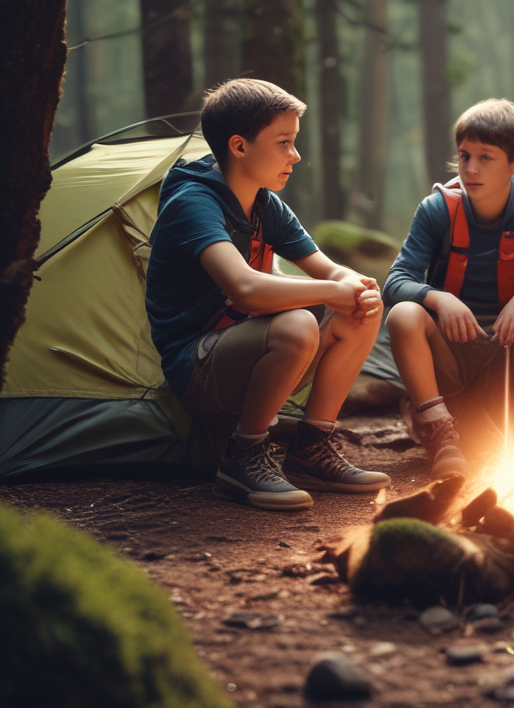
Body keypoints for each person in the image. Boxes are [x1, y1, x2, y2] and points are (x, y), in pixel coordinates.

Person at [146, 79, 390, 511]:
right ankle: (243, 458)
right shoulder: (193, 200)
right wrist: (333, 291)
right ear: (239, 146)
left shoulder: (264, 204)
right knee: (296, 324)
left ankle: (311, 447)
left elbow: (328, 269)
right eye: (284, 142)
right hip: (197, 366)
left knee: (361, 310)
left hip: (247, 350)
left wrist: (357, 288)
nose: (295, 155)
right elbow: (246, 289)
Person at [383, 98, 514, 477]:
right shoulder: (436, 209)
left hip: (512, 352)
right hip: (453, 352)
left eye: (485, 158)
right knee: (404, 314)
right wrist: (437, 298)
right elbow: (396, 282)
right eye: (464, 155)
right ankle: (441, 430)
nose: (470, 169)